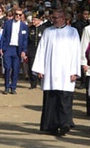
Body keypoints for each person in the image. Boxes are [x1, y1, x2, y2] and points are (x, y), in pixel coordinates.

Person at [32, 9, 82, 137]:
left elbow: (77, 52)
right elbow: (41, 49)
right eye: (52, 18)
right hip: (50, 70)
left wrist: (75, 71)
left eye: (56, 18)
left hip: (66, 71)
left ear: (63, 18)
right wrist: (40, 69)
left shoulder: (72, 32)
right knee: (51, 98)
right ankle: (50, 125)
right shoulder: (48, 32)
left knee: (64, 99)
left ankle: (65, 124)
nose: (53, 20)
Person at [0, 7, 29, 95]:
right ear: (13, 14)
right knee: (7, 68)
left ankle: (13, 87)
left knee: (16, 69)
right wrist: (1, 48)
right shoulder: (7, 23)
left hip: (17, 49)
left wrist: (24, 51)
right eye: (16, 14)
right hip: (8, 48)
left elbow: (25, 40)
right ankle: (6, 87)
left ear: (22, 16)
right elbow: (3, 36)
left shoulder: (24, 26)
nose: (18, 16)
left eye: (20, 15)